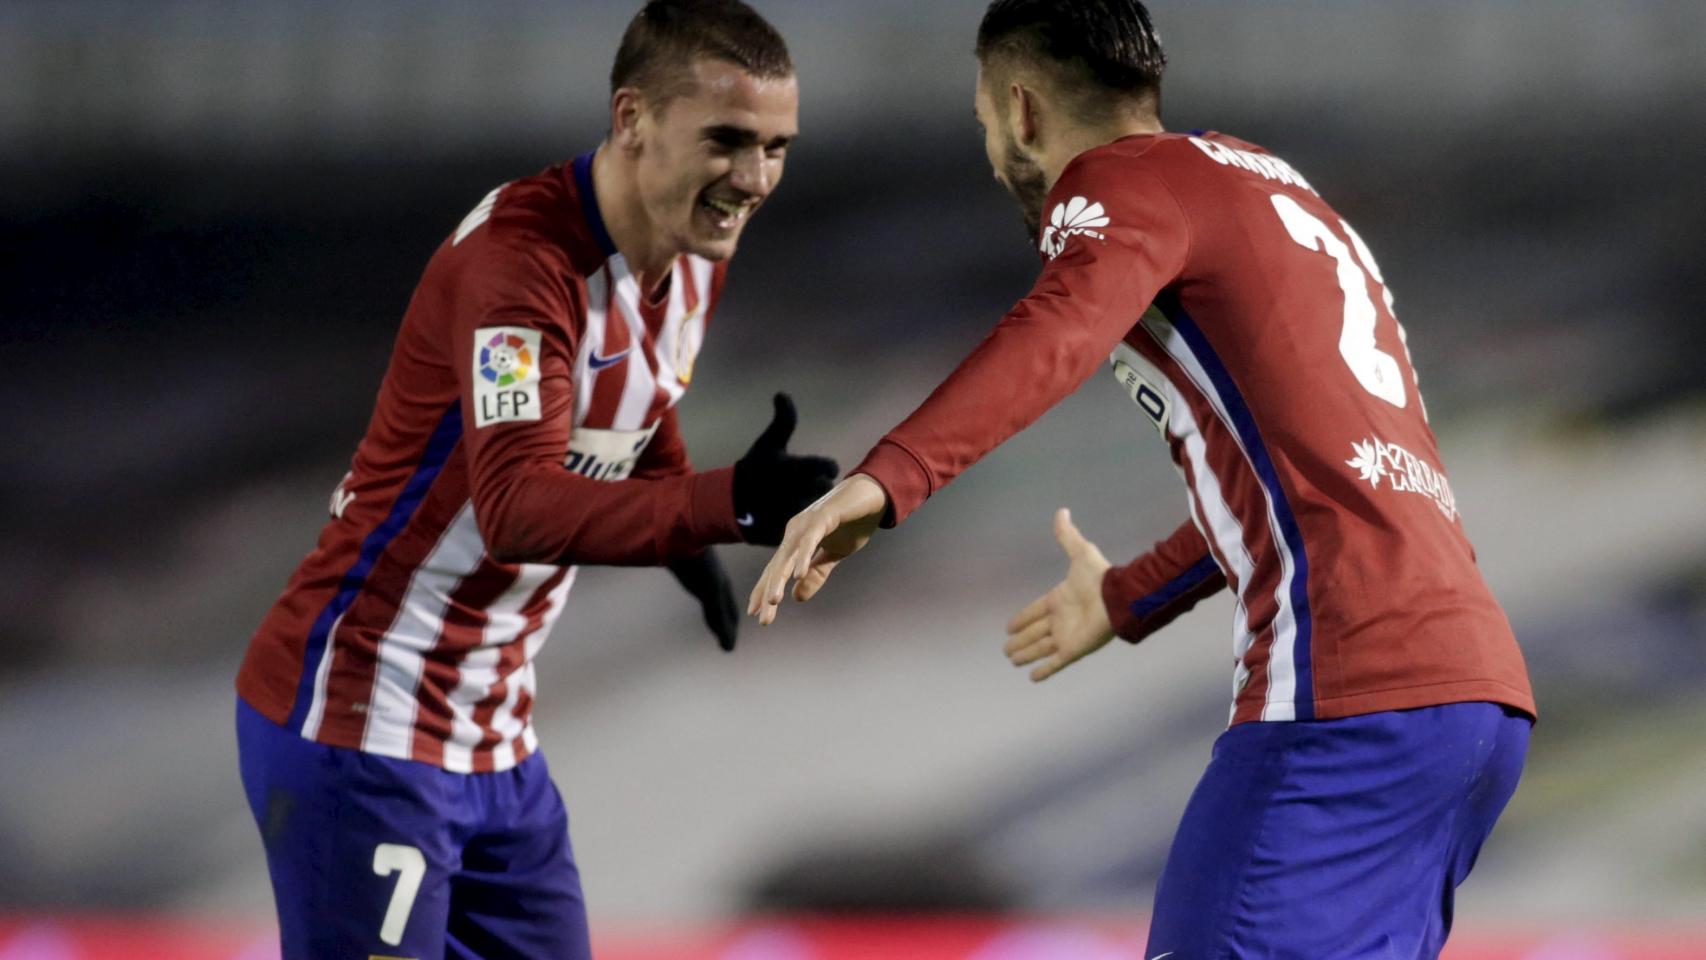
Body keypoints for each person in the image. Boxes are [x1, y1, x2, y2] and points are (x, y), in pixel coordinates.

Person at [749, 1, 1534, 955]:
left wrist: (888, 479)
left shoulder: (1123, 186)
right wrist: (1128, 597)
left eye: (986, 123)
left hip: (1345, 698)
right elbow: (1305, 477)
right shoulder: (1275, 189)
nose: (994, 153)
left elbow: (1056, 334)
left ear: (1022, 110)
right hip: (1472, 705)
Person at [234, 2, 836, 957]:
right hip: (366, 718)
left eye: (776, 146)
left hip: (494, 734)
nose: (754, 179)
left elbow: (637, 389)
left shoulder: (688, 251)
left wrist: (681, 526)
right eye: (726, 140)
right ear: (632, 118)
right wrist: (720, 505)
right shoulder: (521, 269)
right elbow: (515, 508)